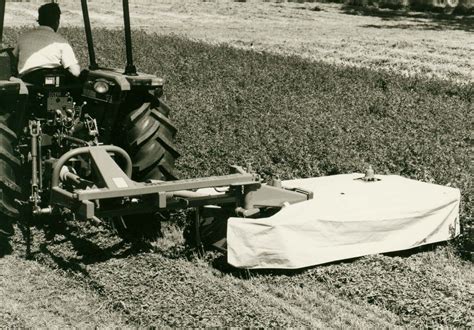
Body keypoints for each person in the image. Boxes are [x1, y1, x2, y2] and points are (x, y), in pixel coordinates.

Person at [13, 3, 80, 81]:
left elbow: (12, 59)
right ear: (57, 21)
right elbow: (75, 71)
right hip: (53, 80)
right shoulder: (61, 41)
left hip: (28, 80)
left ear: (39, 20)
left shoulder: (24, 37)